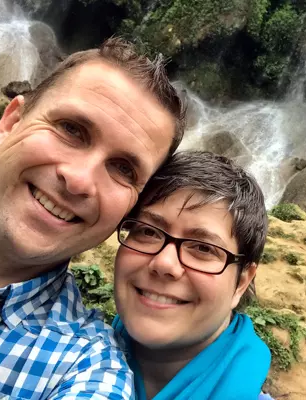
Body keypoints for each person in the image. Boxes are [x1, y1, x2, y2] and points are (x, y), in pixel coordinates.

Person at [0, 37, 184, 399]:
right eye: (72, 129)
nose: (80, 180)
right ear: (11, 122)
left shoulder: (90, 370)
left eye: (122, 169)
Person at [113, 151, 271, 400]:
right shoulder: (65, 358)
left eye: (203, 248)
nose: (164, 263)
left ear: (242, 282)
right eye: (148, 232)